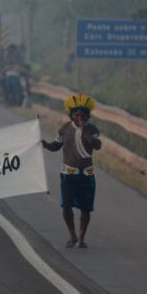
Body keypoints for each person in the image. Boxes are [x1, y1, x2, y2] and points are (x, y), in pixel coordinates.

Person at [41, 93, 102, 249]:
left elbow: (97, 145)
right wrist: (45, 145)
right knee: (66, 206)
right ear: (71, 115)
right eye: (76, 114)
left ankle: (82, 238)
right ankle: (72, 235)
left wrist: (87, 134)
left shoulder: (92, 129)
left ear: (88, 115)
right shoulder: (65, 129)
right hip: (68, 175)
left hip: (86, 176)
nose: (80, 117)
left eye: (83, 114)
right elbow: (56, 146)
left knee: (85, 209)